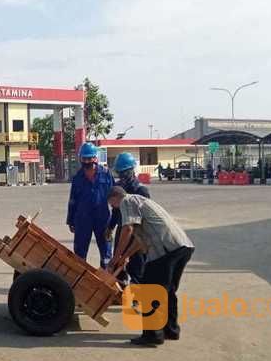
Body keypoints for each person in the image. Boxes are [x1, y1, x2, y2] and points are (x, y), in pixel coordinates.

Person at [108, 186, 195, 346]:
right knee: (168, 291)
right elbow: (139, 241)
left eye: (112, 205)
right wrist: (124, 257)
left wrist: (116, 257)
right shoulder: (142, 202)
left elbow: (127, 229)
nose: (114, 209)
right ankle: (171, 330)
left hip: (166, 251)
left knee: (149, 290)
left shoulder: (127, 201)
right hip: (182, 247)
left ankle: (152, 335)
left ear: (115, 198)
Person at [66, 142, 114, 269]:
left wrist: (115, 221)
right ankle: (81, 280)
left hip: (103, 219)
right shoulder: (77, 178)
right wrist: (70, 220)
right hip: (82, 220)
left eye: (89, 158)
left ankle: (105, 279)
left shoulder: (106, 174)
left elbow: (115, 196)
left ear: (95, 158)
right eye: (84, 158)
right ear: (80, 159)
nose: (87, 161)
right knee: (80, 254)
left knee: (106, 252)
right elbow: (72, 200)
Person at [108, 152, 150, 285]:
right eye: (120, 173)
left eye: (125, 172)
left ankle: (137, 293)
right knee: (117, 262)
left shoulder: (141, 191)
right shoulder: (118, 188)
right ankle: (119, 288)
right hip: (122, 229)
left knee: (136, 264)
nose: (122, 176)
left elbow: (145, 217)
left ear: (132, 170)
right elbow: (115, 211)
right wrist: (110, 227)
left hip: (137, 232)